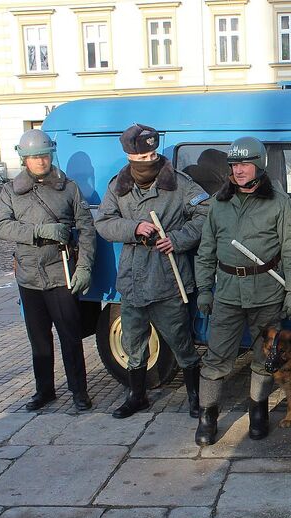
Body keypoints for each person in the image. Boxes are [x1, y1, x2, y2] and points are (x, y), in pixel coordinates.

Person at [193, 137, 291, 446]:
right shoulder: (219, 202)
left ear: (259, 166)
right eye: (233, 165)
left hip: (267, 293)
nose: (238, 170)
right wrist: (204, 289)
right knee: (216, 358)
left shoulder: (279, 203)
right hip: (227, 293)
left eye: (244, 164)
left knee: (264, 358)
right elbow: (206, 250)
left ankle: (258, 411)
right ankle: (207, 416)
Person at [95, 124, 208, 419]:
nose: (149, 160)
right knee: (133, 341)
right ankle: (137, 395)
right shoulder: (118, 187)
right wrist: (133, 228)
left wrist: (178, 238)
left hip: (168, 278)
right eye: (143, 156)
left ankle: (195, 397)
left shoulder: (179, 183)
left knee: (181, 339)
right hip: (133, 280)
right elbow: (104, 222)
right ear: (130, 156)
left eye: (153, 153)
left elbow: (206, 214)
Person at [0, 129, 96, 411]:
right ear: (24, 159)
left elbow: (87, 229)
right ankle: (45, 391)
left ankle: (79, 391)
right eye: (34, 157)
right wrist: (38, 231)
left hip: (60, 273)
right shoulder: (10, 191)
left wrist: (85, 267)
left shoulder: (69, 188)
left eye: (44, 156)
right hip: (28, 276)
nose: (40, 162)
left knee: (71, 339)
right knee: (39, 341)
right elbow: (2, 226)